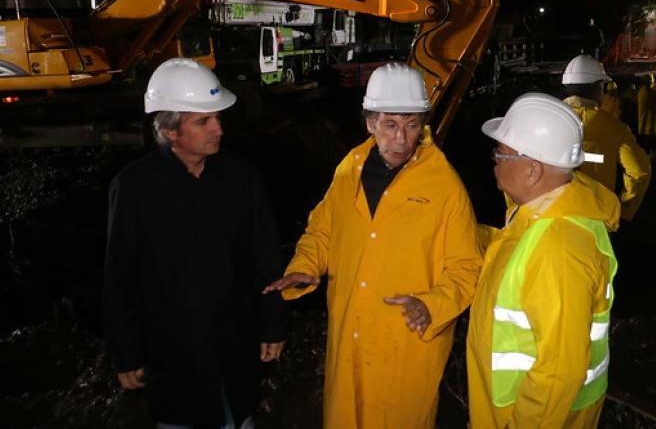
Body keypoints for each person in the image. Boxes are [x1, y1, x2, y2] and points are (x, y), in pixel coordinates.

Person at [264, 63, 481, 428]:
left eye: (412, 125)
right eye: (391, 125)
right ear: (369, 123)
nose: (402, 139)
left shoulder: (444, 186)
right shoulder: (349, 168)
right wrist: (305, 265)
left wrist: (433, 305)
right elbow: (322, 230)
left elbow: (467, 266)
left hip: (406, 346)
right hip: (351, 337)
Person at [104, 58, 287, 429]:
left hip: (234, 344)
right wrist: (126, 353)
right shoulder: (135, 188)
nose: (218, 129)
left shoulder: (241, 178)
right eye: (204, 121)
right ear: (172, 130)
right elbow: (120, 276)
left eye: (217, 118)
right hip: (172, 353)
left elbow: (265, 257)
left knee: (239, 418)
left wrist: (273, 324)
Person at [467, 93, 620, 428]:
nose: (494, 160)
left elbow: (559, 371)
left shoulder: (559, 250)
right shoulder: (541, 214)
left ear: (533, 169)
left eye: (502, 154)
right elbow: (514, 254)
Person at [561, 55, 651, 220]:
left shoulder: (542, 122)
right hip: (595, 220)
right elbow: (640, 171)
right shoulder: (615, 128)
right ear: (597, 88)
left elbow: (515, 163)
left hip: (547, 222)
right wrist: (623, 209)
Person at [637, 73, 656, 153]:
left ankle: (645, 156)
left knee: (645, 143)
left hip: (643, 124)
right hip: (652, 124)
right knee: (651, 142)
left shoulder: (641, 92)